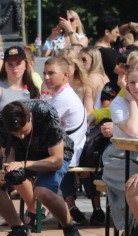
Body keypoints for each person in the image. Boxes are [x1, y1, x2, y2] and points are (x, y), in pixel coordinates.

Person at [0, 100, 84, 236]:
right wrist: (6, 170)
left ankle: (70, 229)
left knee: (43, 191)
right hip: (21, 155)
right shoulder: (2, 120)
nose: (21, 137)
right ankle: (19, 231)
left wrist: (24, 164)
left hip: (51, 155)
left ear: (30, 117)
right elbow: (8, 153)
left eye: (24, 132)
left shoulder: (46, 114)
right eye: (16, 134)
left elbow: (56, 161)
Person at [0, 46, 40, 210]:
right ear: (5, 66)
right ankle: (6, 209)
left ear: (26, 64)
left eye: (18, 63)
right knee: (2, 166)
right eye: (10, 64)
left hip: (24, 140)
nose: (14, 67)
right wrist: (5, 140)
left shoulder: (32, 89)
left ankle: (34, 207)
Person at [42, 56, 88, 226]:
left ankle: (37, 211)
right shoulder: (63, 95)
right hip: (67, 149)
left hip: (66, 153)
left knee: (22, 163)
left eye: (51, 73)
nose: (46, 77)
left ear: (66, 75)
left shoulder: (63, 98)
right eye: (44, 73)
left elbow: (42, 126)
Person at [102, 59, 138, 236]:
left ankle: (132, 234)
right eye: (132, 82)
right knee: (134, 186)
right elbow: (132, 130)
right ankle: (131, 232)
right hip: (119, 158)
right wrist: (132, 102)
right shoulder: (119, 103)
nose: (136, 87)